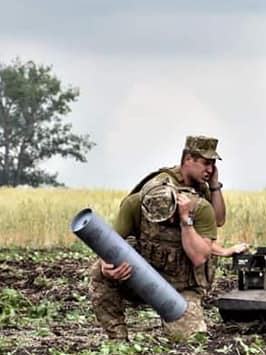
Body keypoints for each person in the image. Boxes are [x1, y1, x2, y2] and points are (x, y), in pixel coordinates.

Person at [88, 136, 248, 340]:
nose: (210, 169)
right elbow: (111, 244)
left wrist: (186, 219)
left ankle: (173, 324)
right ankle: (118, 340)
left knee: (191, 342)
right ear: (188, 159)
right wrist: (106, 266)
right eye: (206, 163)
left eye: (212, 164)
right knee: (98, 272)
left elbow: (205, 245)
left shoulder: (200, 202)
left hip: (181, 288)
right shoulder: (137, 202)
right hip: (143, 278)